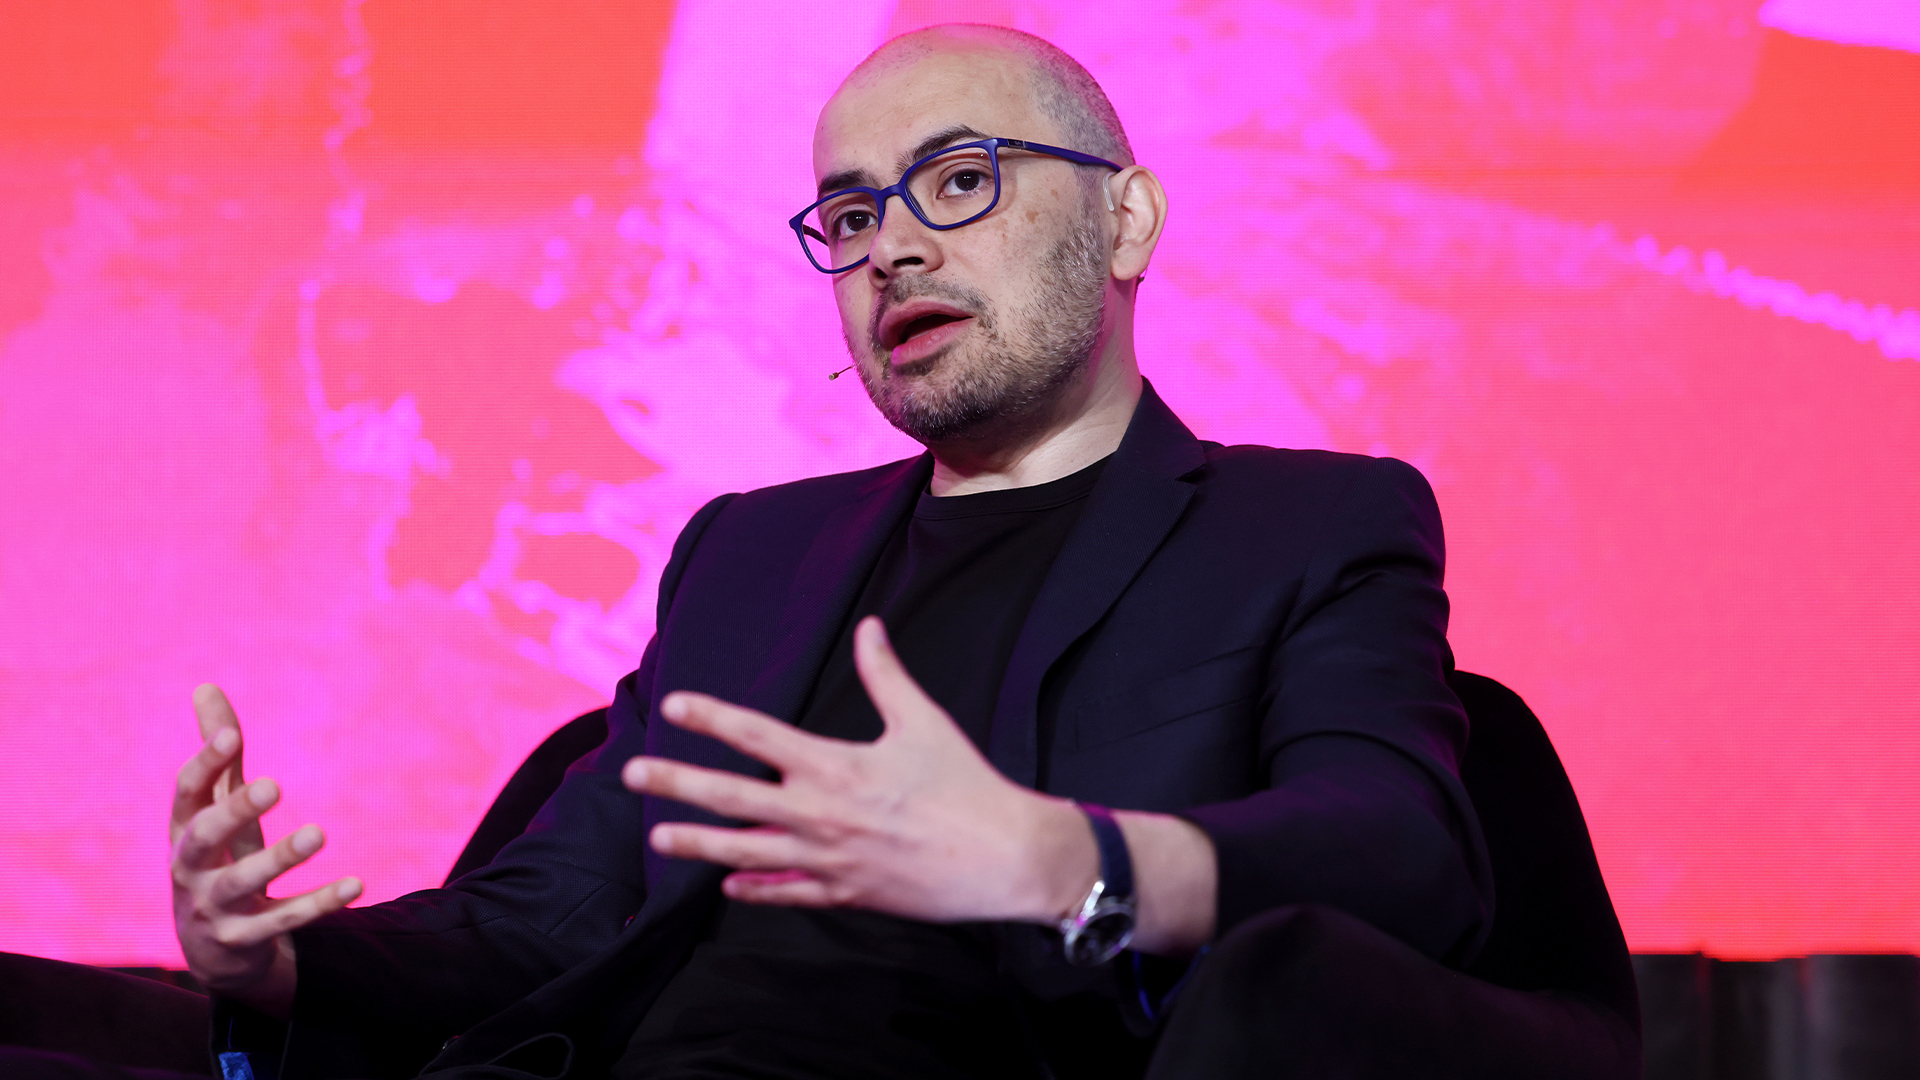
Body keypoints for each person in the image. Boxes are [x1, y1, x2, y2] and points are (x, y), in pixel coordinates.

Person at [10, 22, 1614, 1080]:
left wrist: (1072, 865)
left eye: (961, 182)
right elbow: (554, 915)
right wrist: (274, 957)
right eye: (849, 217)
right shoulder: (752, 552)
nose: (893, 244)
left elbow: (1407, 849)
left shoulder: (1309, 524)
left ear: (1127, 223)